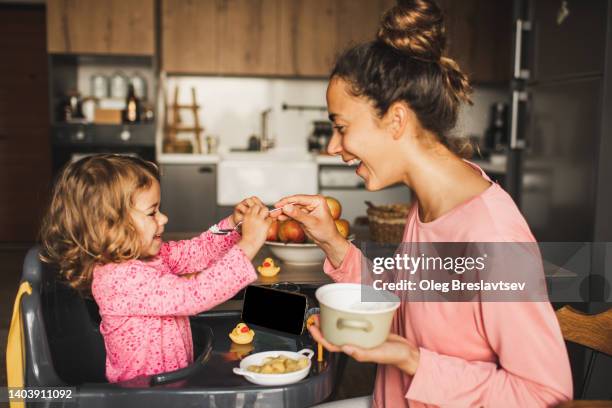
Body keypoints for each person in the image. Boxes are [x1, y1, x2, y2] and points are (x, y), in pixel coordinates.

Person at [273, 0, 573, 406]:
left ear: (397, 120)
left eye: (341, 128)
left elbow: (546, 394)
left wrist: (412, 359)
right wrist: (332, 241)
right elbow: (399, 303)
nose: (332, 147)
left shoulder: (492, 237)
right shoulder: (431, 203)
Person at [39, 154, 271, 383]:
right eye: (152, 213)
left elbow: (196, 250)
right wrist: (249, 243)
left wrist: (234, 225)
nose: (164, 218)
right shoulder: (119, 279)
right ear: (107, 226)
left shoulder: (149, 256)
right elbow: (195, 294)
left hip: (174, 383)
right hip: (146, 395)